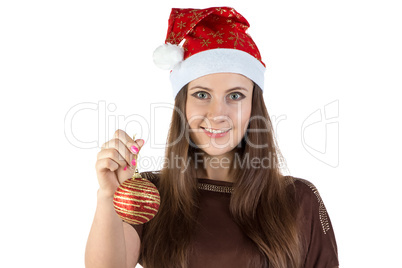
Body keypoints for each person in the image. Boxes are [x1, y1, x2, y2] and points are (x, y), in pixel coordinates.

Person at [85, 6, 339, 268]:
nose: (217, 114)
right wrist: (109, 196)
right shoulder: (150, 194)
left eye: (235, 96)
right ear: (182, 104)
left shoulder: (298, 199)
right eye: (202, 95)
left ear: (254, 105)